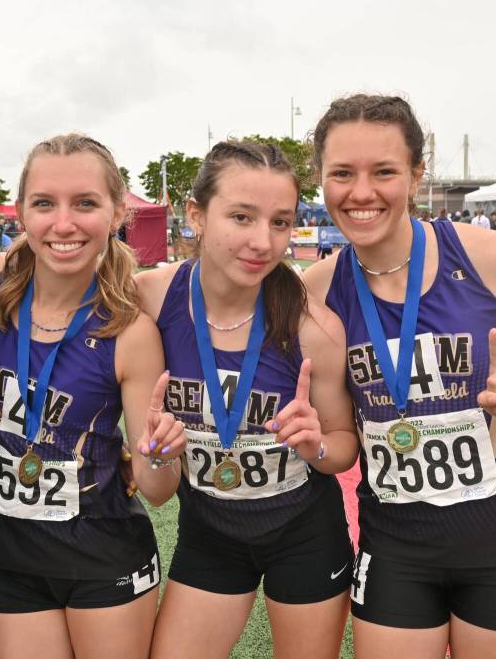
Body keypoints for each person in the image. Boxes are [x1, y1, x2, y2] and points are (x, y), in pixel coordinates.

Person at [303, 94, 496, 659]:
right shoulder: (314, 291)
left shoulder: (495, 258)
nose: (361, 193)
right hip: (395, 542)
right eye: (342, 174)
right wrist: (314, 441)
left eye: (384, 171)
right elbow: (340, 441)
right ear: (321, 180)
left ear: (416, 174)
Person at [138, 142, 359, 659]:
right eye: (241, 216)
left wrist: (315, 447)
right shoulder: (151, 297)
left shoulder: (314, 328)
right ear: (195, 215)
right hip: (210, 533)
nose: (263, 241)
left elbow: (344, 447)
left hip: (305, 533)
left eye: (280, 222)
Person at [0, 134, 183, 659]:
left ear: (116, 213)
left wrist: (159, 453)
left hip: (104, 558)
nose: (63, 224)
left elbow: (158, 490)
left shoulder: (129, 331)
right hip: (15, 559)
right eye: (44, 203)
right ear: (20, 212)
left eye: (85, 203)